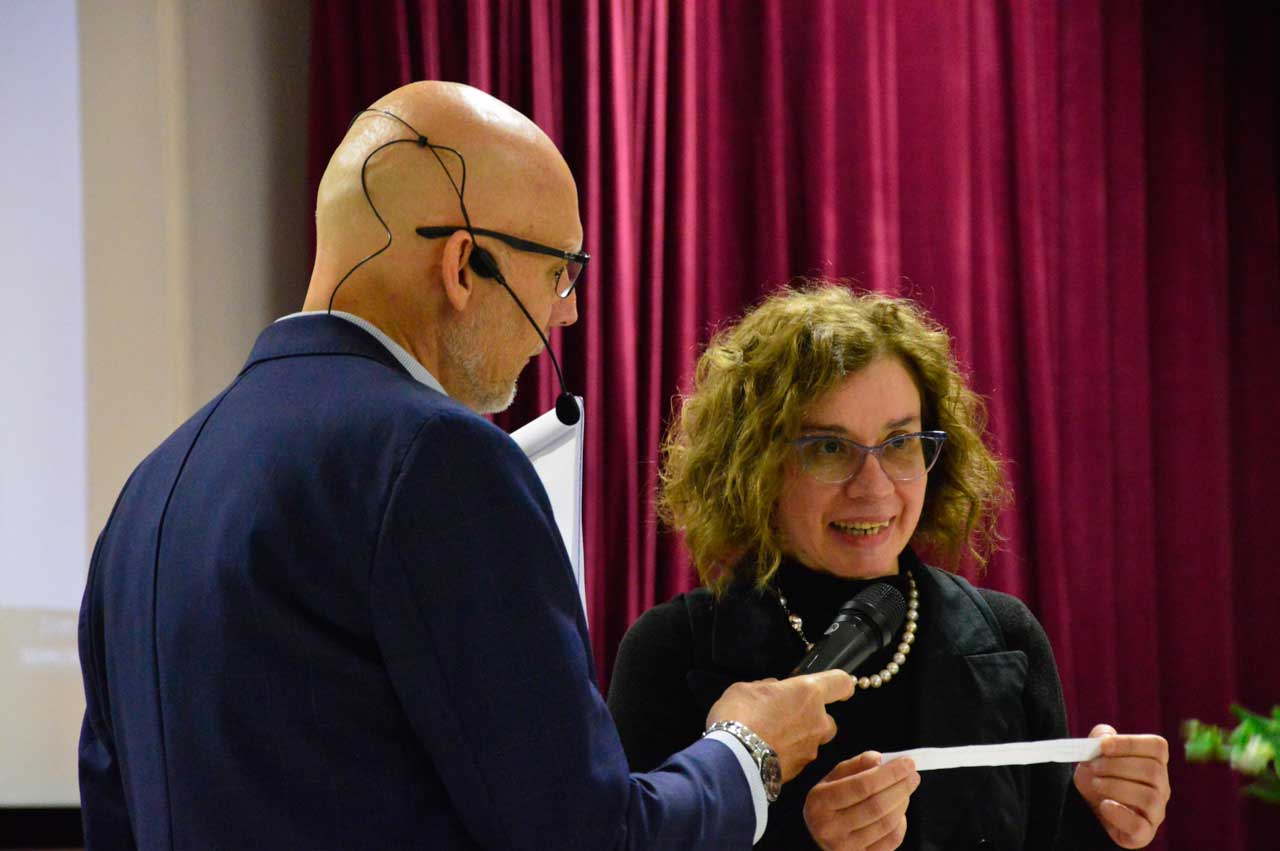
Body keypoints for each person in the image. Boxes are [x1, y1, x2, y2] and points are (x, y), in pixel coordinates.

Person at [76, 82, 856, 849]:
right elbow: (583, 834)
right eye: (560, 271)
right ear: (463, 264)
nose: (567, 312)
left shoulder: (147, 491)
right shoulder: (438, 458)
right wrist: (747, 752)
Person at [608, 284, 1171, 850]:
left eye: (900, 442)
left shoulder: (1006, 637)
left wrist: (1102, 821)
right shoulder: (672, 652)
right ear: (756, 468)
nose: (874, 488)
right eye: (830, 448)